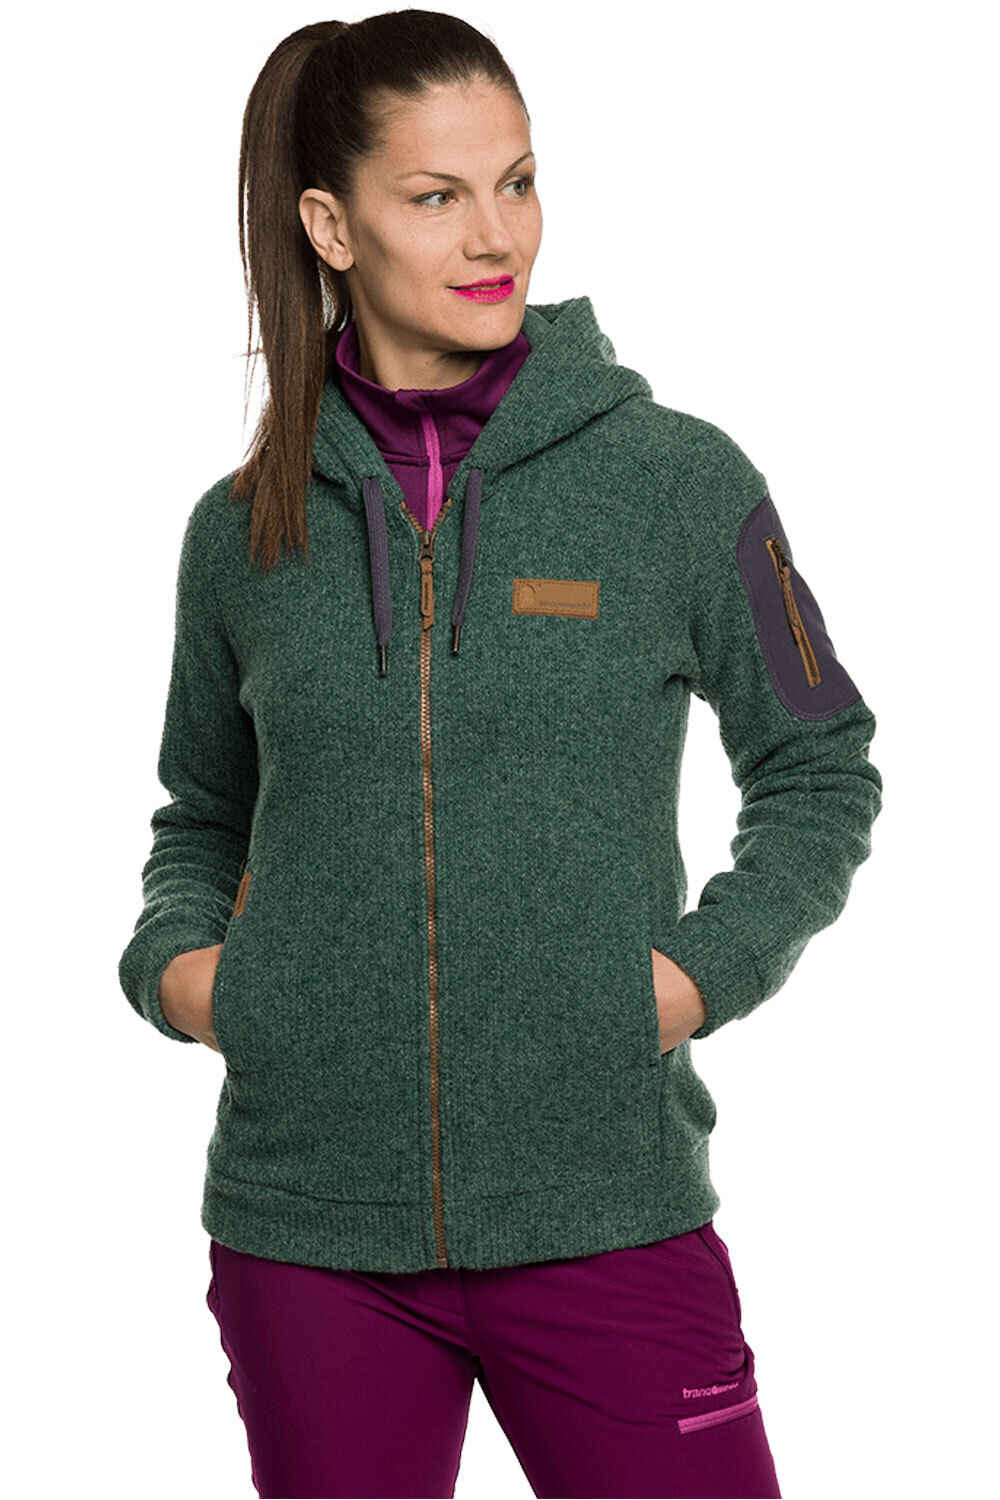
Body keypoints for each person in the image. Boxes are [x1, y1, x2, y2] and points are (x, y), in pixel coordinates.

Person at [118, 12, 883, 1499]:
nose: (496, 236)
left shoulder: (677, 482)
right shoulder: (241, 530)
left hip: (608, 1209)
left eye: (518, 183)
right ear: (330, 226)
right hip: (309, 1234)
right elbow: (202, 810)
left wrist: (690, 980)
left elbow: (821, 764)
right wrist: (187, 973)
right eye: (437, 196)